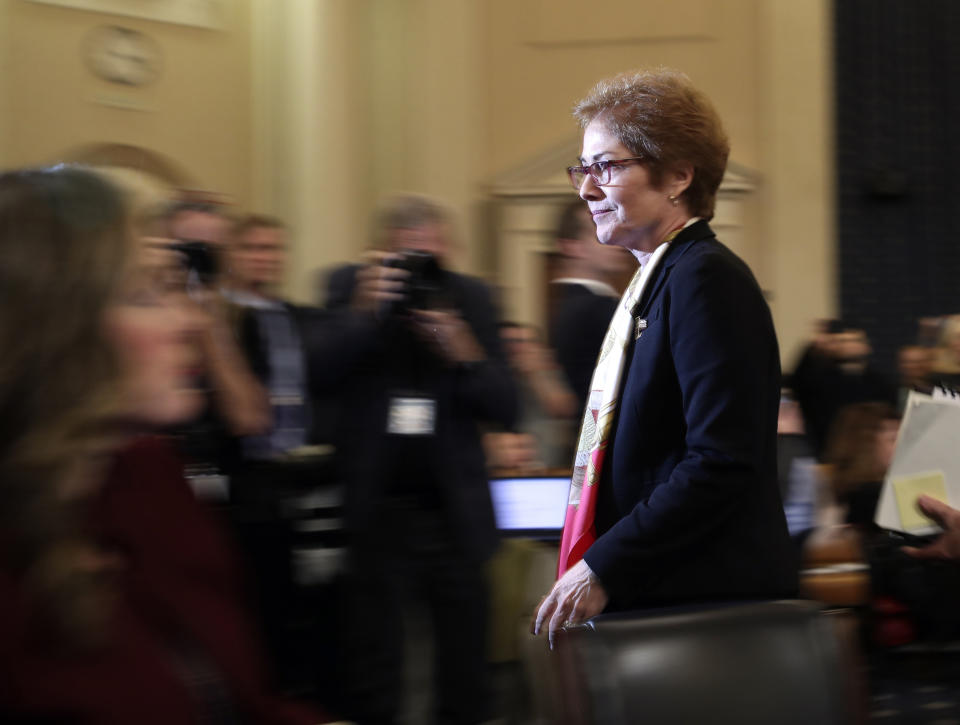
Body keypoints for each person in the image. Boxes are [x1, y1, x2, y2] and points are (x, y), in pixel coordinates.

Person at [0, 167, 325, 723]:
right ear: (56, 321)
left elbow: (236, 699)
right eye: (148, 293)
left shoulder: (149, 477)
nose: (189, 321)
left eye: (178, 286)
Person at [531, 69, 797, 646]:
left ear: (678, 174)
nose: (586, 188)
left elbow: (721, 460)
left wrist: (607, 564)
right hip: (671, 595)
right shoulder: (657, 280)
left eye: (607, 166)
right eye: (583, 168)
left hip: (706, 608)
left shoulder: (705, 278)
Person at [323, 194, 517, 724]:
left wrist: (466, 354)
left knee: (465, 667)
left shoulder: (470, 300)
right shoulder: (349, 292)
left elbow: (506, 405)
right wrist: (366, 312)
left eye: (430, 259)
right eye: (405, 259)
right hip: (379, 513)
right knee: (376, 666)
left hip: (454, 515)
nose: (418, 273)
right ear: (379, 256)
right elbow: (319, 373)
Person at [549, 199, 634, 415]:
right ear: (571, 246)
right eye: (600, 228)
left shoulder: (575, 303)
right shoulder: (593, 308)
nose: (616, 238)